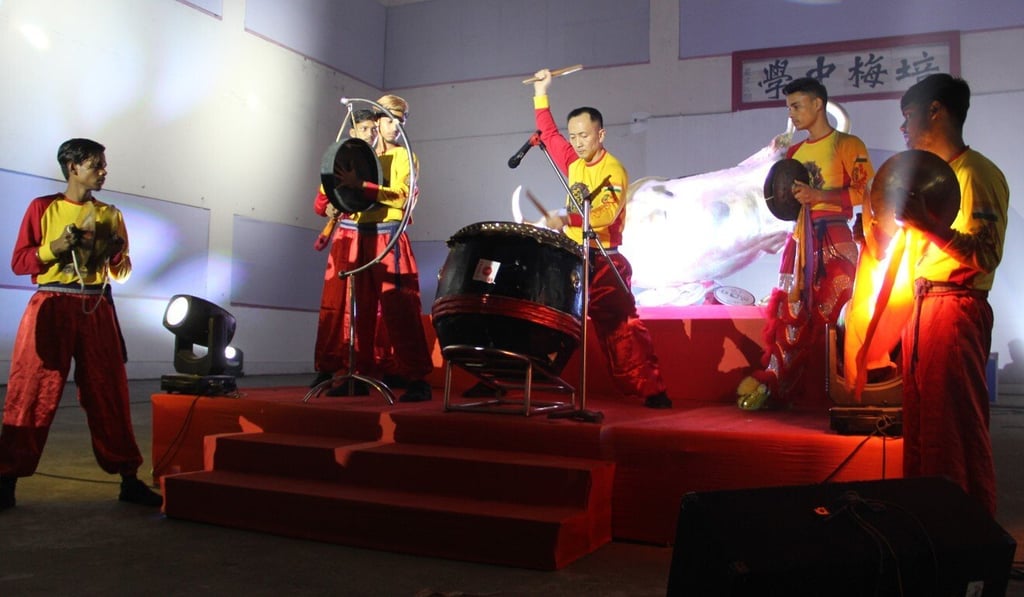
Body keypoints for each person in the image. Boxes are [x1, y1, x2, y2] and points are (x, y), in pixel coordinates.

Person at [0, 138, 162, 511]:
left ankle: (128, 477)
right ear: (72, 167)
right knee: (31, 392)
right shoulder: (43, 207)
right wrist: (52, 249)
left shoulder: (110, 213)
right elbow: (20, 262)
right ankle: (6, 477)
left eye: (103, 164)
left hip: (95, 306)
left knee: (109, 392)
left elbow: (121, 273)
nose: (103, 171)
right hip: (52, 302)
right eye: (96, 164)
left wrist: (117, 253)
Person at [889, 74, 1008, 515]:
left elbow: (985, 256)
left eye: (909, 116)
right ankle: (928, 532)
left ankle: (965, 530)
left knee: (955, 431)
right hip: (926, 309)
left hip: (955, 308)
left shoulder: (976, 172)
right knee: (923, 434)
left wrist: (931, 227)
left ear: (936, 110)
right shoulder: (935, 178)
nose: (905, 129)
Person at [529, 69, 671, 409]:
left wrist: (565, 218)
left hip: (605, 260)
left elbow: (605, 214)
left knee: (622, 328)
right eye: (574, 136)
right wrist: (540, 91)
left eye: (585, 136)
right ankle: (524, 378)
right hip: (573, 257)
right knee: (552, 319)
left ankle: (652, 390)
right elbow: (548, 134)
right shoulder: (573, 161)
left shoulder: (614, 170)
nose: (578, 142)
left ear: (601, 134)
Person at [738, 77, 873, 410]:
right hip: (801, 238)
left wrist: (819, 195)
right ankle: (790, 389)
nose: (793, 114)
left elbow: (864, 192)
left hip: (835, 235)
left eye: (797, 106)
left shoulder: (847, 144)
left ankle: (840, 389)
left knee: (836, 309)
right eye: (789, 108)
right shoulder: (795, 152)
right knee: (794, 310)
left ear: (818, 104)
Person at [331, 95, 434, 402]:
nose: (394, 127)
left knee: (400, 307)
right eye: (389, 120)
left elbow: (403, 197)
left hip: (390, 235)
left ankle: (416, 378)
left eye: (400, 121)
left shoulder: (405, 156)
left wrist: (363, 187)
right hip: (360, 233)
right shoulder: (360, 155)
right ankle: (360, 373)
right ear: (376, 122)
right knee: (358, 310)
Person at [311, 109, 399, 393]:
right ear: (352, 132)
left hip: (372, 237)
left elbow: (395, 198)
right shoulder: (343, 159)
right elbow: (319, 202)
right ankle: (329, 369)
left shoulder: (380, 163)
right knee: (336, 306)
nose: (371, 134)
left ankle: (364, 369)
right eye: (364, 129)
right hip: (345, 239)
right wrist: (328, 206)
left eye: (374, 129)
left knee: (367, 309)